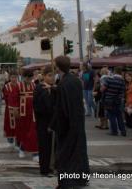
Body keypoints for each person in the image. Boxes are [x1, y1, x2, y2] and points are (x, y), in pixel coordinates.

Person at [50, 56, 89, 188]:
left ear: (58, 68)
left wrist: (54, 125)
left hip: (66, 126)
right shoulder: (75, 81)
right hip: (78, 123)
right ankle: (81, 178)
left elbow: (61, 107)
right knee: (79, 152)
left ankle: (67, 182)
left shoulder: (63, 83)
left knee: (65, 155)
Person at [33, 65, 56, 176]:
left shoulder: (53, 87)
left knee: (51, 146)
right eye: (49, 75)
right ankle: (44, 169)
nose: (52, 78)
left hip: (51, 122)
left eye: (53, 75)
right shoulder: (39, 88)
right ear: (44, 76)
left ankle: (50, 166)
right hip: (43, 121)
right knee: (44, 146)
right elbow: (41, 107)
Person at [16, 70, 38, 160]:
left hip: (32, 112)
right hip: (22, 112)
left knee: (33, 132)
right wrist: (15, 110)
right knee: (24, 132)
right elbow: (14, 98)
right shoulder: (18, 86)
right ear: (24, 77)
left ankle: (35, 153)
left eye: (30, 77)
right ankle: (22, 148)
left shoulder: (34, 85)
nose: (29, 79)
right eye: (27, 77)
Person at [101, 67, 127, 136]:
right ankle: (123, 131)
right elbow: (123, 91)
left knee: (111, 116)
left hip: (109, 99)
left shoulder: (109, 79)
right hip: (118, 100)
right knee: (119, 116)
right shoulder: (122, 81)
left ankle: (114, 131)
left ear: (114, 72)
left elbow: (103, 89)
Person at [3, 71, 20, 147]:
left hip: (19, 109)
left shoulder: (20, 85)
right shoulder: (6, 86)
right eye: (12, 77)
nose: (14, 79)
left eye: (15, 77)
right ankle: (10, 140)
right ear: (10, 78)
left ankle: (18, 141)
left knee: (18, 125)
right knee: (9, 125)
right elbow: (6, 98)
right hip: (9, 109)